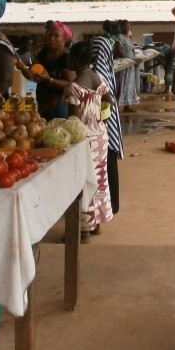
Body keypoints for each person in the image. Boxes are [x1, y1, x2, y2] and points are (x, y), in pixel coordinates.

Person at [64, 41, 113, 240]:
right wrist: (100, 116)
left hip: (84, 141)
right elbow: (109, 100)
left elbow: (74, 120)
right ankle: (97, 224)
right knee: (99, 179)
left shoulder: (74, 87)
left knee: (82, 182)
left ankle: (83, 230)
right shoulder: (98, 78)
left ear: (74, 60)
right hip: (101, 136)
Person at [91, 21, 124, 214]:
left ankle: (110, 205)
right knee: (110, 165)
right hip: (111, 122)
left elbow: (107, 100)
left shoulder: (97, 72)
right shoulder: (107, 68)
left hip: (103, 122)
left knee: (105, 166)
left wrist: (99, 121)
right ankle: (114, 203)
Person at [23, 21, 75, 120]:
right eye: (50, 35)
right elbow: (32, 72)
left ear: (65, 39)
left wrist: (48, 79)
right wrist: (22, 67)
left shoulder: (66, 57)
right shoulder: (43, 53)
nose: (52, 38)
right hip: (40, 101)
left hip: (58, 104)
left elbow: (70, 85)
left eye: (56, 36)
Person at [115, 19, 140, 112]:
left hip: (130, 65)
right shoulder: (119, 37)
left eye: (129, 26)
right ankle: (116, 107)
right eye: (126, 26)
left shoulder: (128, 38)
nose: (128, 28)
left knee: (129, 85)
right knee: (122, 84)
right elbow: (119, 51)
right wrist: (129, 59)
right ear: (121, 27)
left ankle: (127, 106)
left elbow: (132, 50)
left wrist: (133, 60)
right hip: (124, 65)